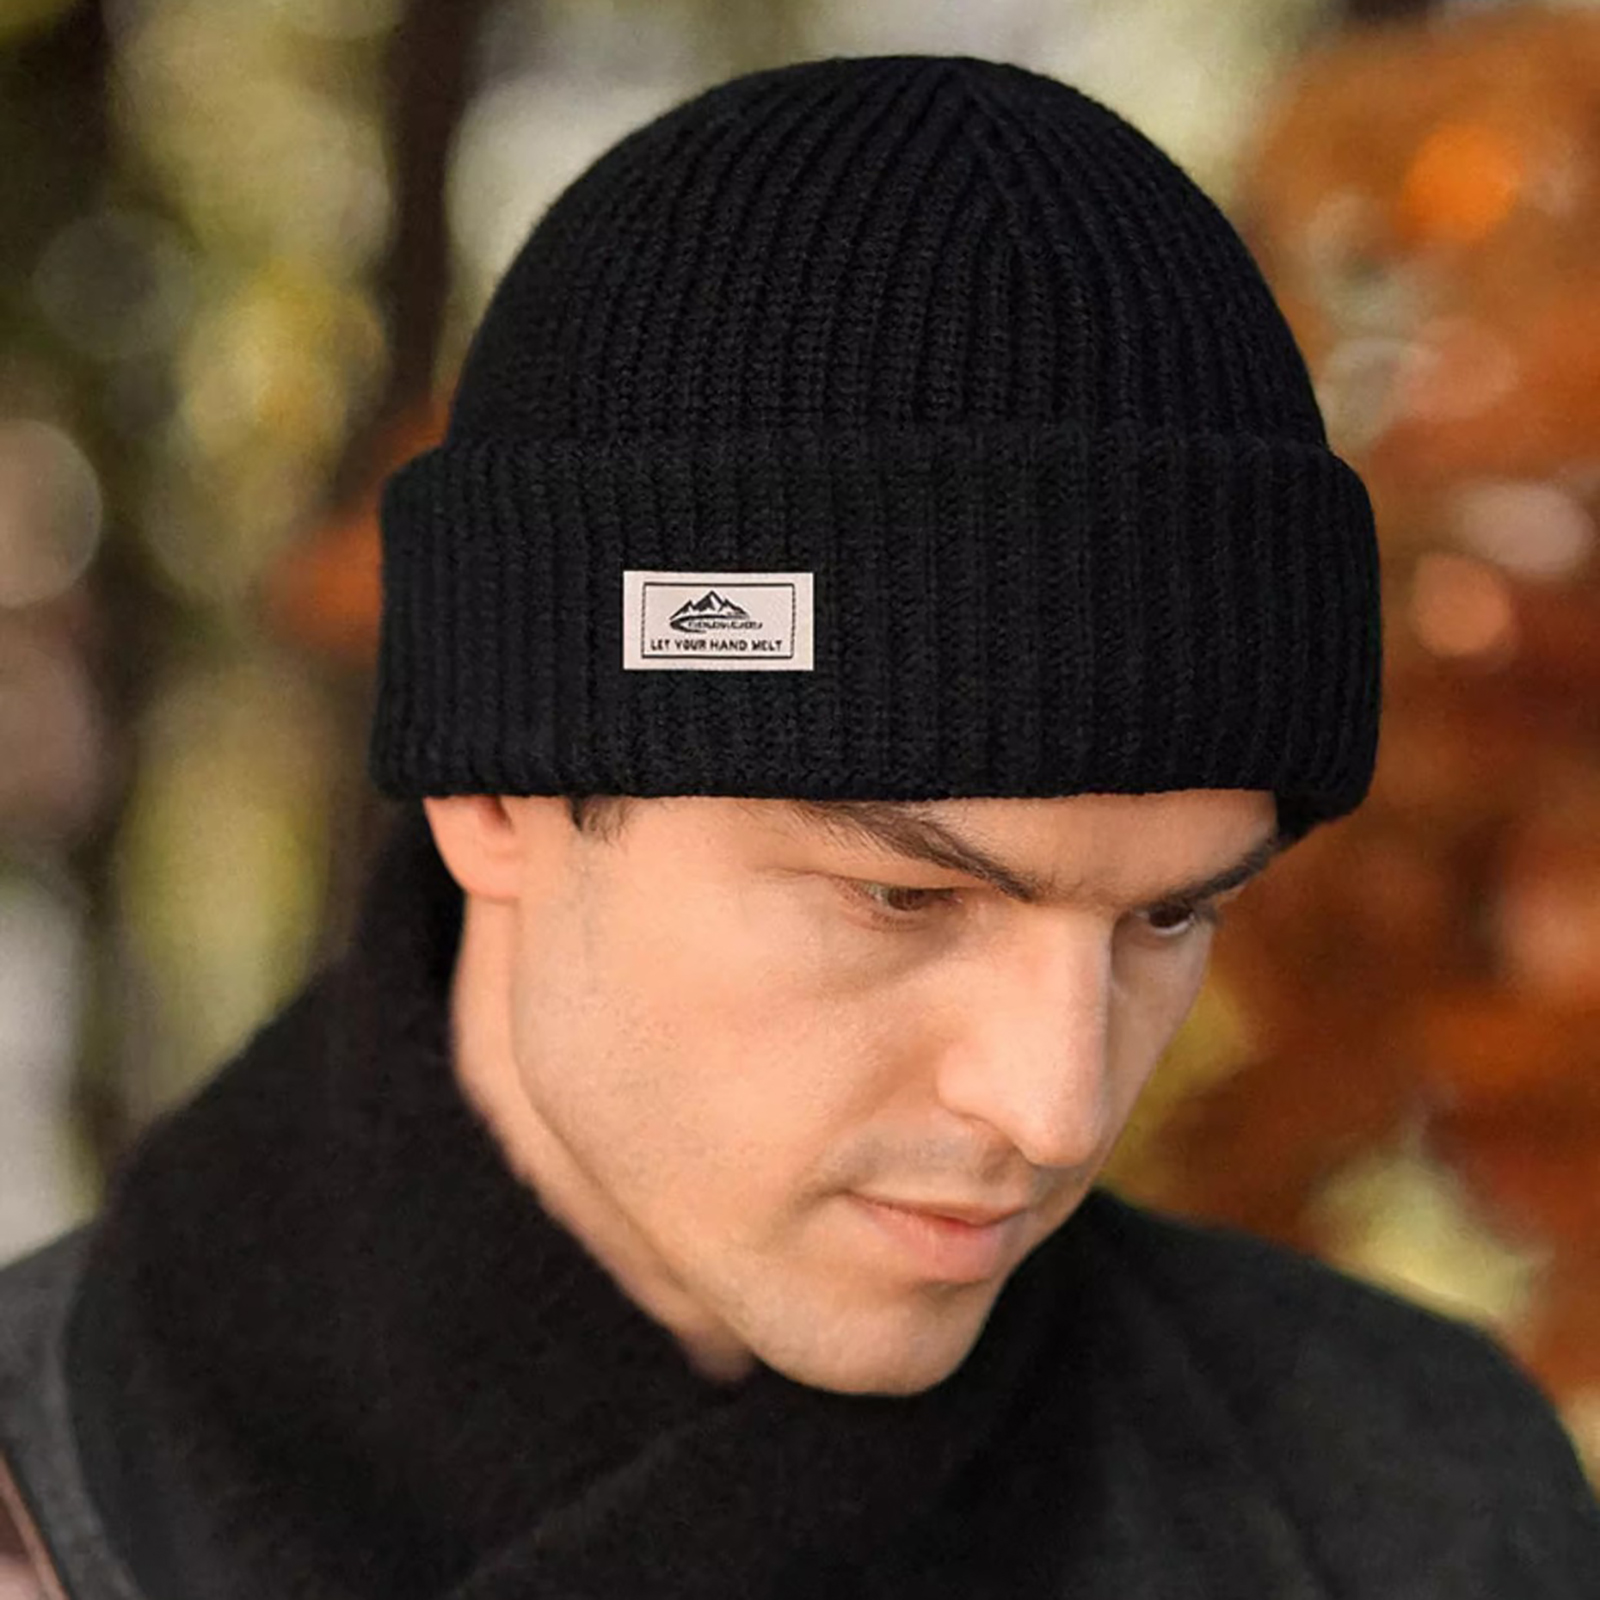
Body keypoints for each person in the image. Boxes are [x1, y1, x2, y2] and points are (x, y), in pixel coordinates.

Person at [2, 52, 1597, 1600]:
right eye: (903, 899)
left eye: (1166, 915)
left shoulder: (1408, 1504)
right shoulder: (53, 1489)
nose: (1051, 1107)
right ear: (495, 793)